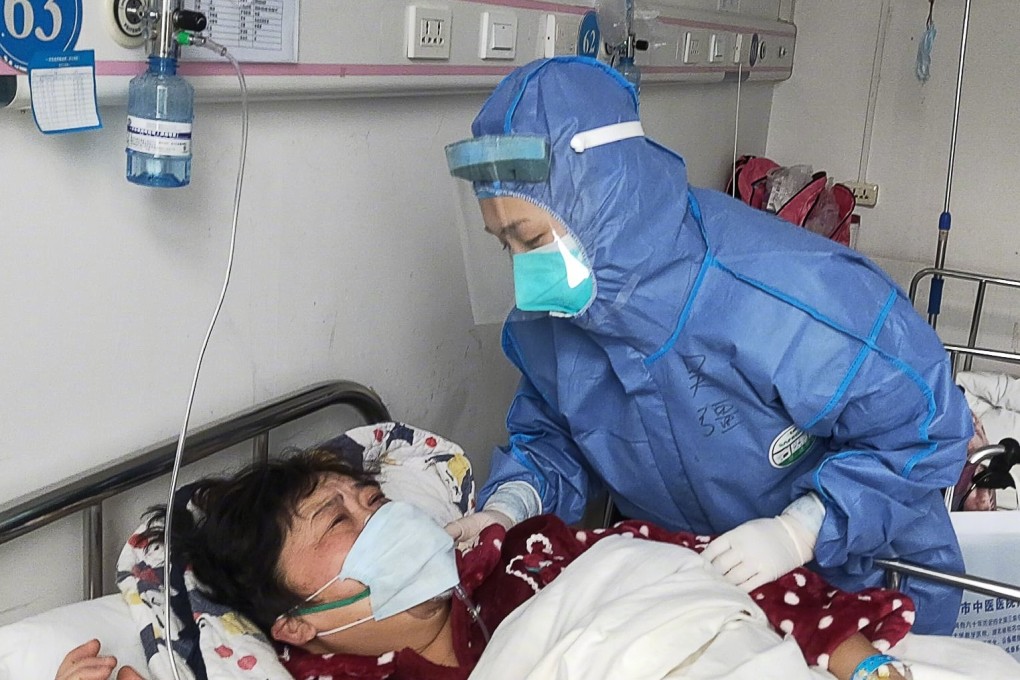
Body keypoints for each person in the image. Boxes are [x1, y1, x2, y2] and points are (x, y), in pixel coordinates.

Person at [442, 56, 973, 636]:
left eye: (533, 240)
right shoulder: (559, 321)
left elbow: (924, 431)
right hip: (708, 597)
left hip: (863, 584)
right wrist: (509, 504)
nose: (525, 278)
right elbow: (557, 434)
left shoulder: (783, 292)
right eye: (504, 246)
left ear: (601, 206)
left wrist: (801, 529)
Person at [56, 449, 915, 680]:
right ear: (295, 619)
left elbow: (705, 574)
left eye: (369, 500)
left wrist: (861, 662)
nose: (376, 515)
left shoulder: (523, 558)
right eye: (337, 519)